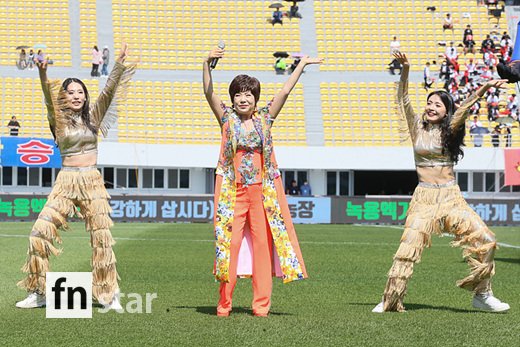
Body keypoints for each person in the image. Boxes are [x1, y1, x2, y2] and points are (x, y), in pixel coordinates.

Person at [372, 51, 510, 313]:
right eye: (429, 102)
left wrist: (483, 88)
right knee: (407, 250)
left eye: (437, 104)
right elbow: (403, 98)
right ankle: (390, 300)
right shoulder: (417, 128)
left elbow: (467, 106)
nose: (431, 107)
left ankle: (482, 295)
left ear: (446, 111)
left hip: (451, 198)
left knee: (486, 239)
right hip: (424, 199)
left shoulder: (451, 129)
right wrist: (406, 70)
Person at [15, 43, 136, 310]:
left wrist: (118, 64)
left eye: (80, 92)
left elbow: (109, 92)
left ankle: (108, 295)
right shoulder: (57, 120)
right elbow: (48, 98)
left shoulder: (94, 117)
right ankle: (40, 291)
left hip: (92, 181)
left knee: (102, 239)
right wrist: (43, 74)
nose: (77, 96)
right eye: (71, 93)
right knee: (39, 233)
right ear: (64, 97)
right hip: (66, 182)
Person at [203, 45, 322, 317]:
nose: (243, 99)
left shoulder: (265, 118)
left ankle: (261, 305)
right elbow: (208, 92)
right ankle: (224, 304)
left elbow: (285, 92)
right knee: (227, 246)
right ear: (232, 99)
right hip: (232, 193)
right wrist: (205, 63)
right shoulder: (226, 118)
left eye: (248, 94)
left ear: (256, 98)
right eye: (238, 94)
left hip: (262, 193)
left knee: (262, 247)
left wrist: (301, 66)